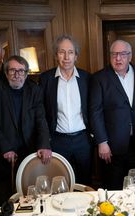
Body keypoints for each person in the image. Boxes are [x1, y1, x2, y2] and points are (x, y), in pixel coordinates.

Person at [0, 55, 52, 204]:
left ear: (26, 74)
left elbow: (41, 119)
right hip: (3, 155)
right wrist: (5, 147)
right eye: (13, 70)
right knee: (6, 201)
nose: (17, 75)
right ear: (6, 73)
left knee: (31, 198)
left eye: (21, 71)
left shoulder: (35, 90)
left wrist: (44, 144)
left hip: (30, 153)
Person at [89, 40, 135, 189]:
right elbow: (95, 112)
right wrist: (102, 142)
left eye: (122, 54)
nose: (118, 58)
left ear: (130, 56)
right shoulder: (99, 78)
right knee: (113, 187)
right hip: (111, 147)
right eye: (114, 54)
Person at [39, 34, 92, 185]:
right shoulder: (46, 79)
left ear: (76, 56)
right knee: (60, 182)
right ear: (56, 55)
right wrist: (44, 142)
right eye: (62, 52)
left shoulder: (87, 78)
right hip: (57, 141)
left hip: (83, 140)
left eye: (70, 52)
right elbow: (40, 113)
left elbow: (94, 109)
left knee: (84, 182)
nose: (66, 57)